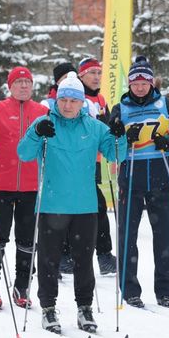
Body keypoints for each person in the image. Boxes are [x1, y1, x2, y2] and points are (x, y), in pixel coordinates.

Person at [18, 72, 126, 333]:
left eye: (73, 101)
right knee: (48, 260)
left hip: (84, 206)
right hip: (51, 205)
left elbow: (115, 155)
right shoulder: (45, 124)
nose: (67, 105)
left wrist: (119, 136)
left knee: (83, 260)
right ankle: (48, 308)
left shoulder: (95, 127)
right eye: (63, 100)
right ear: (57, 100)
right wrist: (35, 133)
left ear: (81, 103)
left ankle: (85, 308)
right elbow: (24, 154)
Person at [109, 56, 169, 309]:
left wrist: (168, 142)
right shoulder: (120, 108)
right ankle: (130, 290)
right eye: (135, 83)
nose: (139, 87)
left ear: (151, 82)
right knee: (127, 237)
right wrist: (120, 135)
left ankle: (165, 292)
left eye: (144, 82)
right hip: (131, 180)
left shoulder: (166, 104)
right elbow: (112, 146)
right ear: (129, 84)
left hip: (161, 179)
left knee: (165, 238)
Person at [0, 66, 47, 309]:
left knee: (27, 241)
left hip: (30, 186)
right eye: (18, 82)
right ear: (10, 86)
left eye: (27, 82)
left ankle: (22, 285)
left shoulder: (42, 111)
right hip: (1, 184)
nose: (23, 86)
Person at [75, 57, 118, 276]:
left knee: (96, 208)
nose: (96, 77)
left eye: (99, 73)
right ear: (81, 76)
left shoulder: (100, 99)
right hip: (76, 162)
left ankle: (103, 257)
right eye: (91, 73)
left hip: (96, 162)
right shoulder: (76, 97)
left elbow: (108, 127)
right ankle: (97, 255)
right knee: (86, 208)